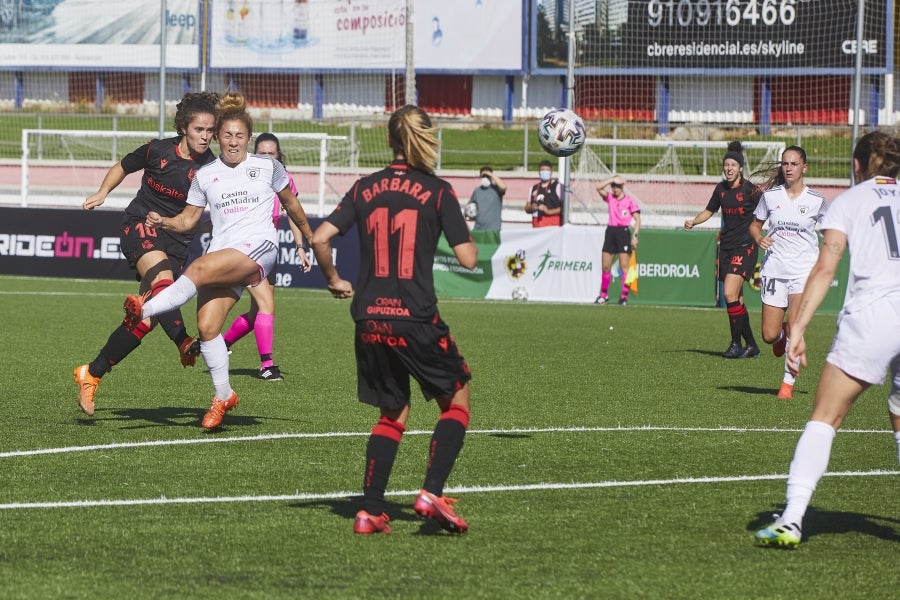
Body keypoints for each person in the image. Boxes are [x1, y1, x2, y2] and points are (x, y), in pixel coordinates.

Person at [309, 104, 477, 535]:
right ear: (428, 139)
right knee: (456, 400)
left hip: (368, 317)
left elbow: (320, 236)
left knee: (392, 412)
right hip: (415, 315)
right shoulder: (438, 191)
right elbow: (469, 258)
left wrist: (333, 278)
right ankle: (432, 492)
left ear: (387, 140)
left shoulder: (364, 187)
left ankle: (368, 511)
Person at [121, 91, 314, 430]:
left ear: (249, 138)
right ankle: (223, 395)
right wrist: (163, 222)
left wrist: (309, 238)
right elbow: (187, 221)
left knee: (196, 268)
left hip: (259, 247)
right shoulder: (206, 174)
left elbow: (292, 204)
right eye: (227, 135)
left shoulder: (268, 166)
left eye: (240, 135)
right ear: (218, 136)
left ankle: (143, 309)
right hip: (224, 254)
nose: (233, 141)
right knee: (208, 328)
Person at [755, 131, 900, 548]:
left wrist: (797, 328)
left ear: (856, 166)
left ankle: (793, 517)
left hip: (874, 314)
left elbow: (824, 268)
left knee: (826, 418)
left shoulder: (848, 202)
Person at [73, 91, 220, 417]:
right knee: (163, 286)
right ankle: (183, 341)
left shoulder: (212, 167)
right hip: (141, 225)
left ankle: (91, 373)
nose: (205, 137)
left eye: (210, 131)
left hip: (178, 241)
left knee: (144, 320)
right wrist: (102, 192)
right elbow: (123, 166)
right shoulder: (158, 150)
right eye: (199, 130)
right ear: (184, 127)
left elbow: (207, 211)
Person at [221, 132, 306, 381]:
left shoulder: (283, 179)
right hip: (245, 248)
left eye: (272, 153)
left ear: (279, 156)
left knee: (256, 310)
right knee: (265, 306)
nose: (268, 157)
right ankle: (267, 365)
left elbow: (293, 212)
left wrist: (300, 247)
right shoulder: (241, 176)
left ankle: (220, 345)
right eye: (263, 153)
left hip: (268, 251)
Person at [749, 146, 827, 399]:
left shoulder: (816, 201)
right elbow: (754, 225)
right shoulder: (771, 196)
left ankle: (786, 385)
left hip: (803, 271)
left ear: (804, 167)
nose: (789, 168)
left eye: (794, 164)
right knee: (769, 336)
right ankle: (781, 334)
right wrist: (759, 237)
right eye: (785, 163)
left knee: (797, 327)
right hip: (774, 270)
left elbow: (830, 233)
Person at [684, 141, 762, 359]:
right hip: (726, 247)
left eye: (733, 165)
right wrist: (693, 221)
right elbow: (709, 211)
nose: (729, 168)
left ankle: (736, 343)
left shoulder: (751, 190)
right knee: (737, 299)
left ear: (740, 168)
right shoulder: (720, 189)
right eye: (726, 165)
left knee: (728, 293)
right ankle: (752, 345)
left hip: (745, 246)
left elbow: (765, 213)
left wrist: (762, 234)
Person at [594, 175, 640, 306]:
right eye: (613, 186)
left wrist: (635, 236)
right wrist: (612, 179)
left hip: (623, 232)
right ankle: (603, 295)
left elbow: (638, 219)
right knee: (605, 266)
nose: (615, 189)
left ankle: (624, 296)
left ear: (622, 187)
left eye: (617, 186)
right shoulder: (610, 199)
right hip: (610, 231)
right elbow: (597, 187)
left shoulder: (629, 201)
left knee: (624, 266)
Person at [465, 165, 506, 231]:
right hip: (478, 229)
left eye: (487, 176)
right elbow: (469, 208)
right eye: (483, 176)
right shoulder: (477, 191)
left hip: (493, 230)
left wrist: (491, 174)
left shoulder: (496, 189)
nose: (485, 178)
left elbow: (504, 187)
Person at [524, 159, 563, 227]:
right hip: (537, 224)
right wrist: (532, 208)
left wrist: (548, 211)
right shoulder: (533, 188)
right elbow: (527, 207)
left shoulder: (557, 186)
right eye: (542, 170)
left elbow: (564, 207)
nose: (545, 172)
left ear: (551, 171)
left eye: (547, 170)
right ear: (539, 171)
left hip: (553, 224)